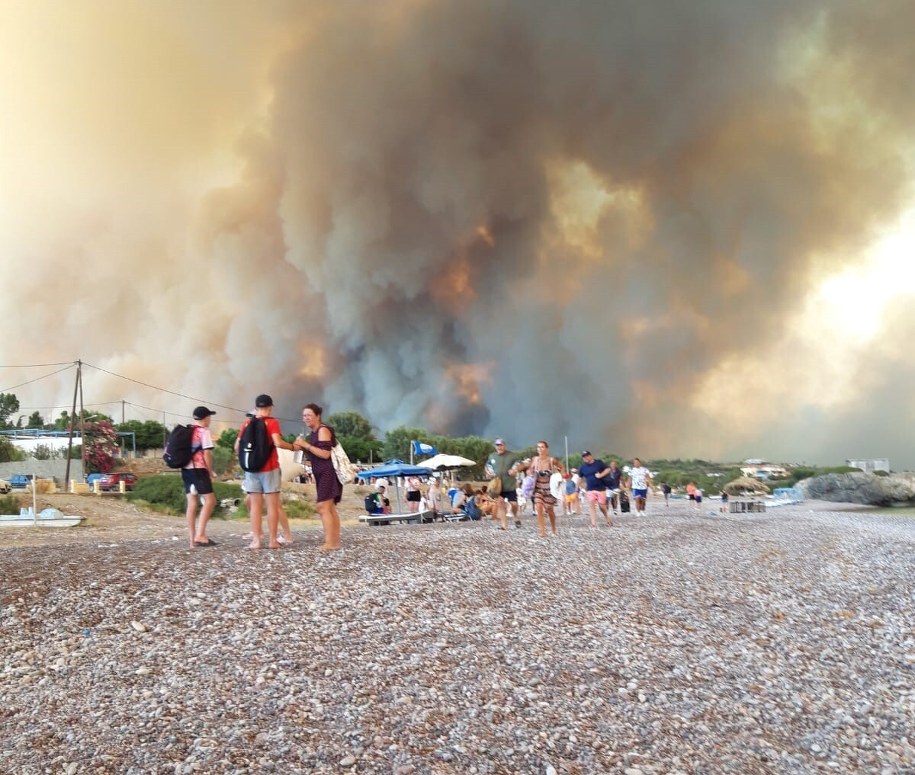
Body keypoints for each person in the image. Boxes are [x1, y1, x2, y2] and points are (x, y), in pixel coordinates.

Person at [234, 395, 296, 550]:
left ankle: (256, 541)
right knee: (272, 506)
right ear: (270, 407)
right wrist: (293, 447)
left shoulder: (247, 423)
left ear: (256, 408)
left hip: (252, 470)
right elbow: (278, 443)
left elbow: (237, 446)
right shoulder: (272, 422)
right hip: (270, 469)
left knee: (255, 506)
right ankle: (272, 541)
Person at [293, 402, 343, 552]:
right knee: (330, 508)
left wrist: (306, 445)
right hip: (321, 473)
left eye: (309, 415)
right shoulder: (313, 433)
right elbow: (315, 454)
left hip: (328, 472)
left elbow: (325, 453)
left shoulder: (323, 430)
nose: (305, 418)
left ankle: (330, 543)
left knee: (323, 507)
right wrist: (301, 446)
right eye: (304, 416)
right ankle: (334, 542)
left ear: (318, 416)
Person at [184, 406, 217, 549]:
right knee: (210, 500)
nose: (210, 419)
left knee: (192, 503)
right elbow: (207, 454)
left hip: (186, 470)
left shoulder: (187, 431)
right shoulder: (204, 432)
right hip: (199, 470)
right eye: (209, 417)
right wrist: (210, 472)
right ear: (205, 418)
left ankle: (192, 540)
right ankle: (200, 535)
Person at [517, 441, 564, 537]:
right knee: (538, 507)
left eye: (542, 447)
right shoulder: (534, 460)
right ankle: (542, 531)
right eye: (538, 447)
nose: (540, 449)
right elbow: (529, 470)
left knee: (549, 509)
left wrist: (561, 476)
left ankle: (553, 529)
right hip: (538, 487)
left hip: (549, 488)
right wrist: (529, 471)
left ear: (547, 449)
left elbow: (562, 467)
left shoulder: (551, 460)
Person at [485, 438, 523, 530]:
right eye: (497, 445)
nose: (499, 447)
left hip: (510, 485)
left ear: (504, 446)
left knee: (514, 504)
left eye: (501, 445)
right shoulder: (492, 456)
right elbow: (487, 466)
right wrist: (488, 474)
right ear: (495, 446)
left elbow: (519, 464)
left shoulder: (512, 456)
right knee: (500, 504)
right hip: (498, 486)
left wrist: (515, 470)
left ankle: (515, 517)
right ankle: (504, 525)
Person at [579, 450, 613, 527]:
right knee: (591, 505)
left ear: (591, 456)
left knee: (602, 507)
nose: (586, 458)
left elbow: (608, 469)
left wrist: (601, 475)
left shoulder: (599, 463)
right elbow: (580, 477)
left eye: (587, 456)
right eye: (584, 457)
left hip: (601, 489)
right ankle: (593, 523)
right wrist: (577, 488)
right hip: (590, 489)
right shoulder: (583, 467)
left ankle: (607, 518)